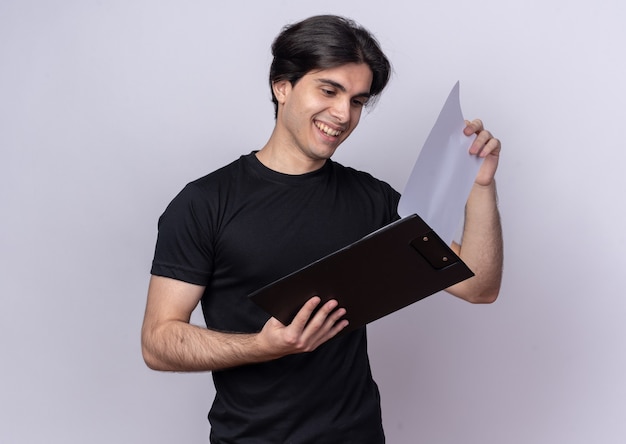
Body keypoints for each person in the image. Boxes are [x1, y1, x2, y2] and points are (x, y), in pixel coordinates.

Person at [141, 14, 503, 443]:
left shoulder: (372, 199)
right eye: (329, 91)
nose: (342, 113)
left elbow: (478, 287)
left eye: (356, 100)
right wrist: (263, 346)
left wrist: (480, 187)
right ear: (282, 86)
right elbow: (158, 341)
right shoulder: (205, 203)